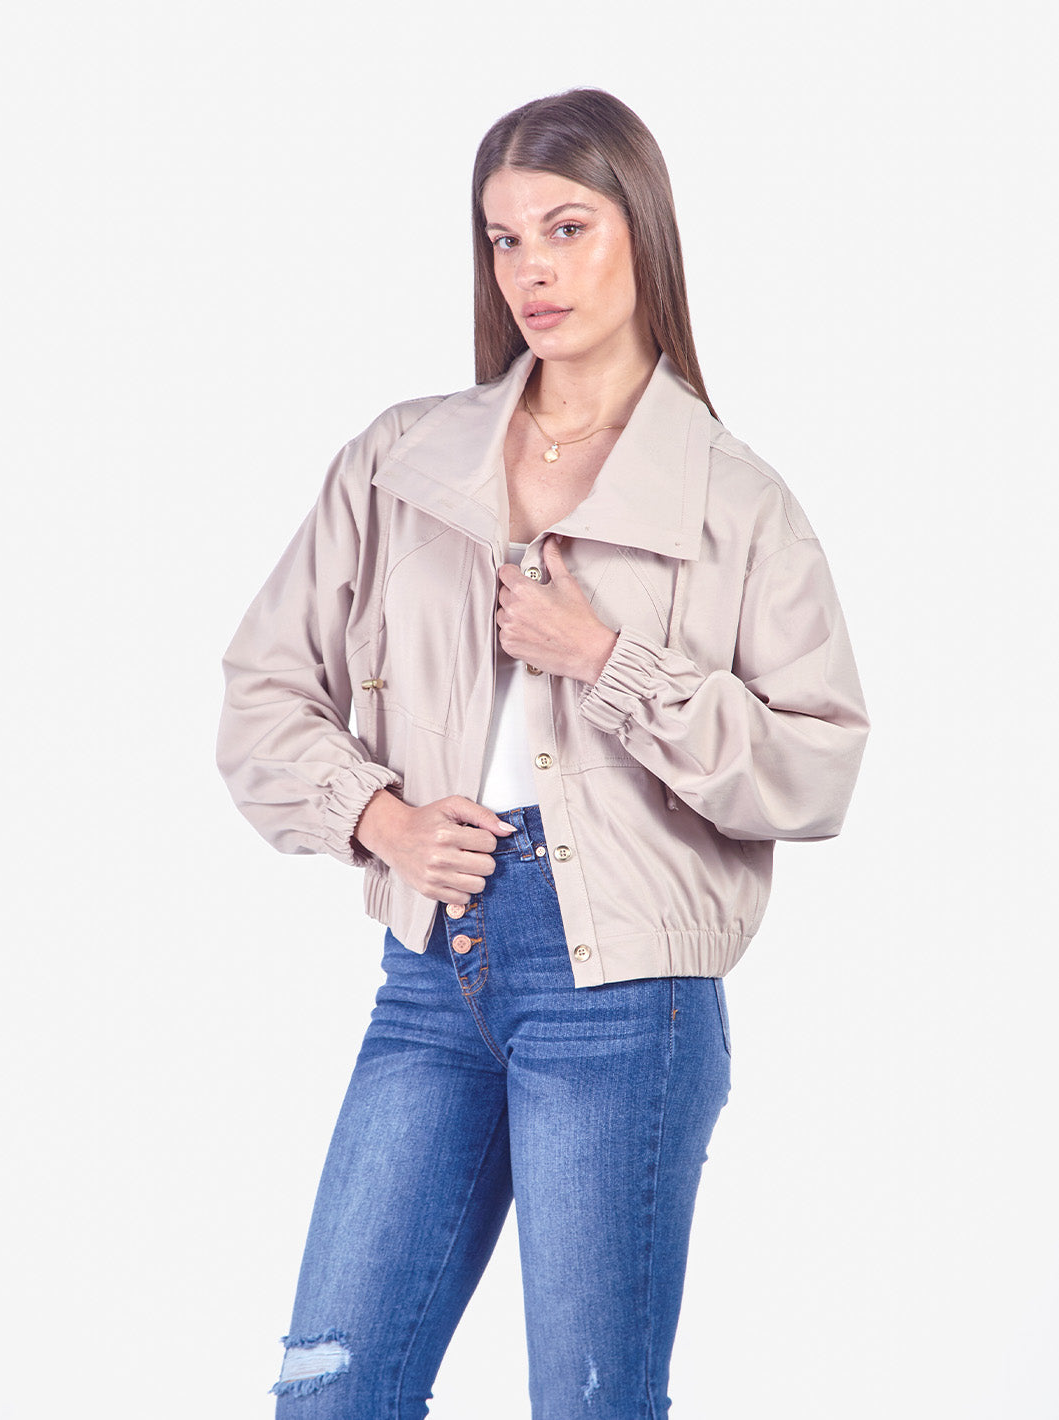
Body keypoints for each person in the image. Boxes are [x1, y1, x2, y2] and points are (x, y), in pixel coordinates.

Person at [216, 87, 869, 1419]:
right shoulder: (402, 461)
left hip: (626, 997)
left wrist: (610, 661)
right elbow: (262, 693)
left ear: (643, 232)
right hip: (430, 974)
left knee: (588, 1404)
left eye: (567, 229)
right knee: (329, 1392)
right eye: (504, 239)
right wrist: (379, 819)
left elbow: (815, 768)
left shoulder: (735, 501)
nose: (532, 270)